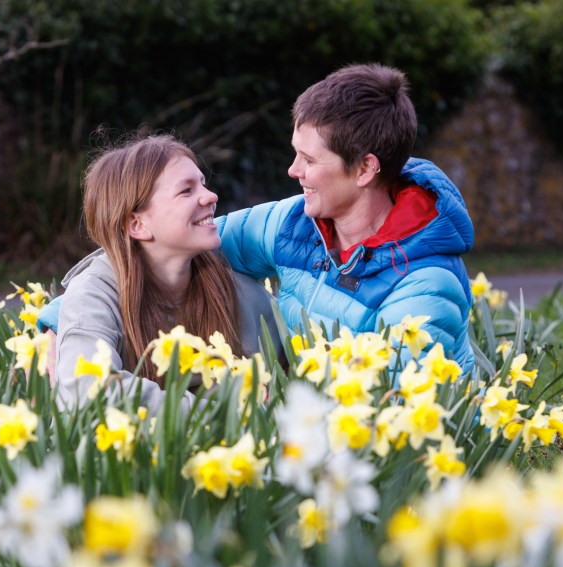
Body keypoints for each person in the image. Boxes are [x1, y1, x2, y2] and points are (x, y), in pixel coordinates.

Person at [42, 63, 475, 373]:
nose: (293, 171)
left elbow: (393, 404)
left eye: (308, 159)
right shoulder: (294, 224)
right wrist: (60, 321)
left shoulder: (427, 283)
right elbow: (155, 248)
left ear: (364, 169)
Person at [53, 134, 279, 408]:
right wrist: (221, 417)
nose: (211, 196)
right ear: (137, 225)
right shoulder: (94, 294)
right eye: (187, 190)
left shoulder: (238, 292)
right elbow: (89, 393)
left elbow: (301, 371)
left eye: (203, 185)